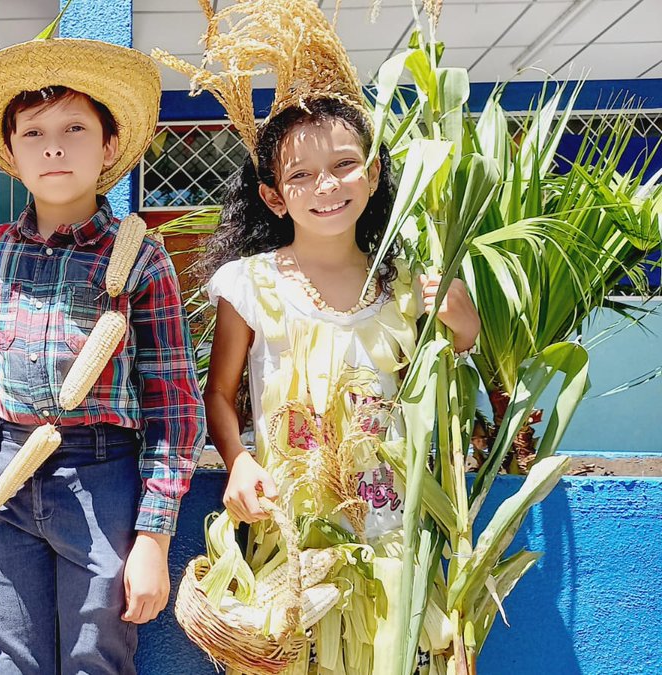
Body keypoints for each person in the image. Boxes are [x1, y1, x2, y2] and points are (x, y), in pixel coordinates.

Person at [0, 38, 206, 674]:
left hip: (100, 478)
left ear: (110, 146)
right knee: (5, 657)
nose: (54, 146)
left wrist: (154, 535)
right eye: (33, 132)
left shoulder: (140, 258)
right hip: (1, 474)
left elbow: (173, 404)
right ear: (11, 152)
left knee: (98, 656)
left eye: (75, 127)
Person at [190, 2, 479, 672]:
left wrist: (463, 327)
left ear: (374, 174)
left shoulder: (406, 287)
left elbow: (445, 384)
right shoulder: (250, 284)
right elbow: (221, 396)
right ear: (272, 195)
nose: (326, 185)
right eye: (300, 174)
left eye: (346, 164)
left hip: (393, 546)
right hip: (293, 549)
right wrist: (237, 460)